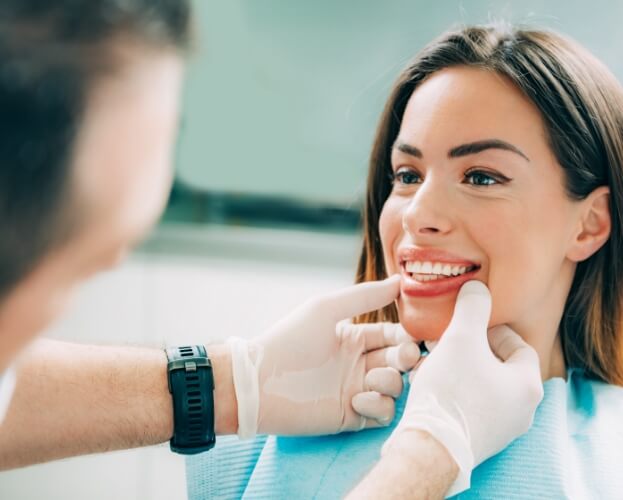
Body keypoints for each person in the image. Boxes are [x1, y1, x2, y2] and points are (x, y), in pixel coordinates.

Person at [188, 23, 623, 499]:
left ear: (589, 225)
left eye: (480, 177)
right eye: (407, 174)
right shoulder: (259, 435)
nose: (417, 215)